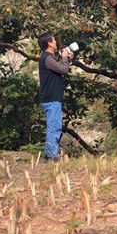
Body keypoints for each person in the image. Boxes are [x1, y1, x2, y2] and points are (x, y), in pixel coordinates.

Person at [37, 32, 73, 161]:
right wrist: (64, 57)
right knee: (54, 127)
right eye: (54, 40)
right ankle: (51, 156)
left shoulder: (48, 58)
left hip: (52, 98)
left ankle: (51, 154)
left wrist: (67, 59)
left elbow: (62, 69)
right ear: (49, 43)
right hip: (51, 98)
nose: (56, 42)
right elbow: (63, 70)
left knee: (55, 126)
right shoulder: (47, 58)